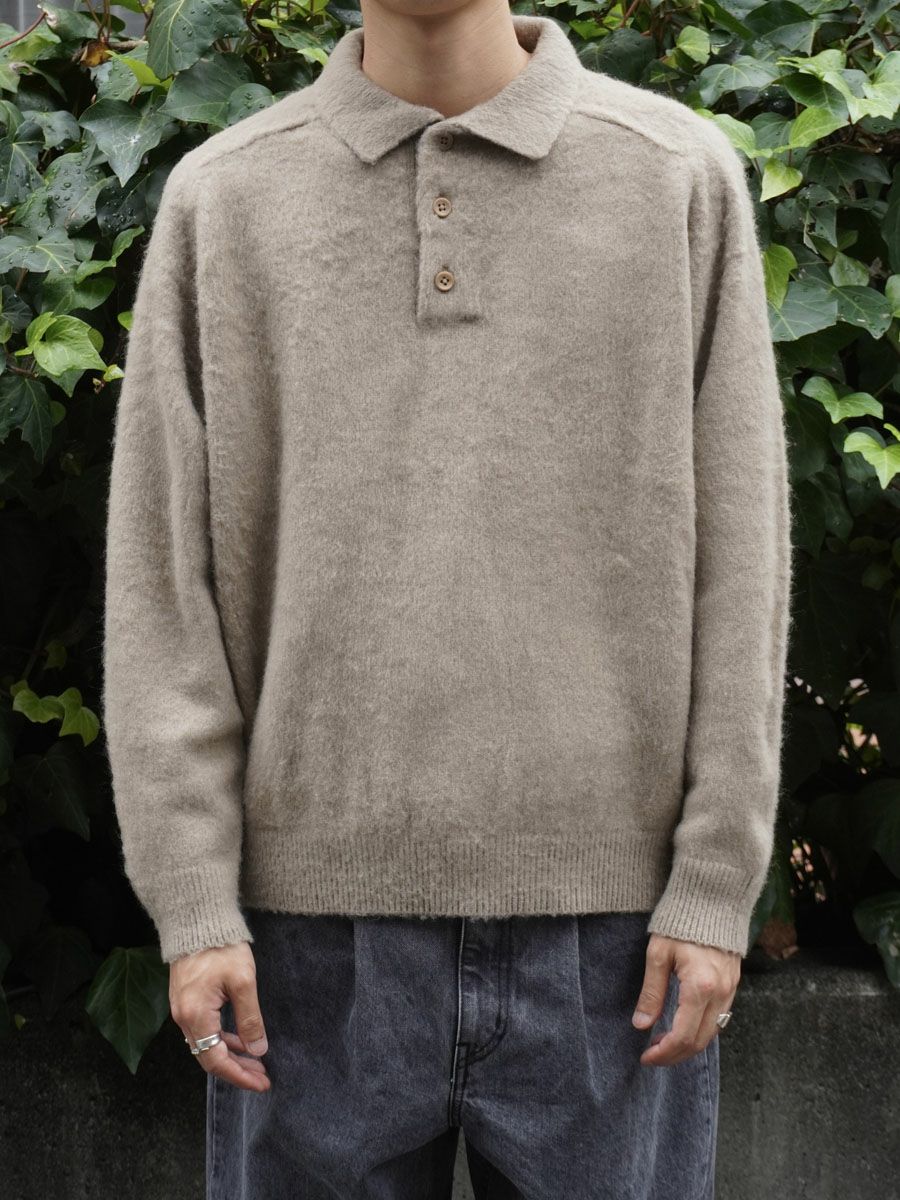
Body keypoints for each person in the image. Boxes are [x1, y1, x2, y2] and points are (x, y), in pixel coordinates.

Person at [101, 1, 793, 1196]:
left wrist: (715, 880)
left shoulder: (676, 176)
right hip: (305, 953)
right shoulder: (225, 199)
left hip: (617, 948)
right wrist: (194, 905)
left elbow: (743, 561)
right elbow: (165, 586)